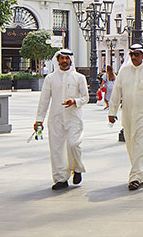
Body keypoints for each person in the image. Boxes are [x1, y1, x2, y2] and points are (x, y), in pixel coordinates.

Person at [108, 44, 143, 191]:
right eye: (132, 54)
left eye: (137, 54)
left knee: (142, 144)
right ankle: (142, 170)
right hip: (127, 115)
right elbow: (116, 92)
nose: (134, 57)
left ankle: (135, 178)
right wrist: (112, 112)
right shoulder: (124, 71)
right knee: (131, 145)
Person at [33, 49, 88, 191]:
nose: (64, 61)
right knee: (56, 149)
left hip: (74, 117)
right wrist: (39, 120)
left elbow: (85, 97)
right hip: (56, 118)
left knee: (74, 144)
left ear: (71, 60)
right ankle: (60, 178)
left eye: (66, 58)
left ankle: (77, 168)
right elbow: (44, 100)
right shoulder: (50, 78)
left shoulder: (79, 77)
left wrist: (75, 101)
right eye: (61, 58)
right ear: (57, 60)